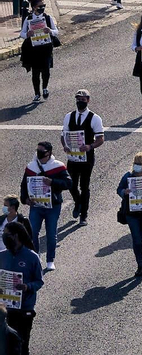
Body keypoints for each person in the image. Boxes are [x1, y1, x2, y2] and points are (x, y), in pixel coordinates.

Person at [20, 142, 68, 271]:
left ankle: (50, 260)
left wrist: (53, 182)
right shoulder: (31, 167)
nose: (39, 153)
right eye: (38, 151)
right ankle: (36, 256)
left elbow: (68, 183)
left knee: (51, 234)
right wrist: (25, 199)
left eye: (42, 151)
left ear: (49, 153)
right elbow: (24, 185)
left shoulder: (58, 166)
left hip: (53, 207)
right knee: (33, 232)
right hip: (36, 206)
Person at [59, 90, 104, 225]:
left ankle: (83, 214)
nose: (80, 102)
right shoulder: (69, 116)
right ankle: (78, 202)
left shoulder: (95, 118)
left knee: (84, 186)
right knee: (70, 184)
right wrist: (65, 146)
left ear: (88, 100)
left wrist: (90, 146)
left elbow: (100, 138)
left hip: (86, 158)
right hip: (73, 157)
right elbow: (64, 135)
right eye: (78, 99)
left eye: (83, 100)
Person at [1, 221, 43, 352]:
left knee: (23, 344)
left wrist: (27, 287)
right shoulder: (2, 256)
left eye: (7, 234)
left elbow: (39, 281)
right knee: (7, 345)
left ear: (16, 236)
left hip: (25, 308)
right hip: (5, 308)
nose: (4, 237)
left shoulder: (32, 257)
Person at [18, 0, 58, 104]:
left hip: (46, 48)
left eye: (43, 6)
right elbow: (22, 33)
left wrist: (50, 31)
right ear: (34, 7)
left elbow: (56, 31)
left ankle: (45, 88)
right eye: (40, 6)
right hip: (34, 49)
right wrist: (27, 34)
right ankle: (37, 93)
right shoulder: (28, 19)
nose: (42, 8)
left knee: (46, 70)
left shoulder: (47, 18)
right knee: (35, 72)